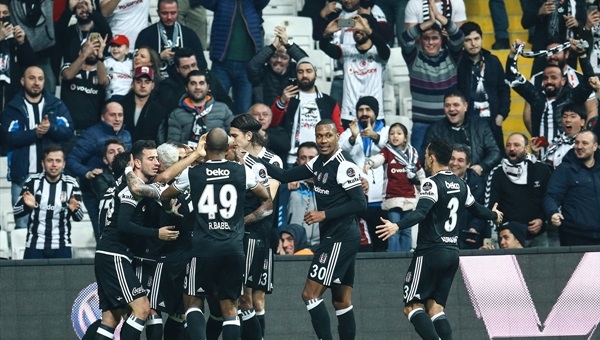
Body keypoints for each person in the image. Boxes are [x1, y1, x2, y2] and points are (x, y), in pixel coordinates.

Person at [376, 138, 502, 340]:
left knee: (411, 306)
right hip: (452, 253)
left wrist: (397, 225)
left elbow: (421, 213)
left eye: (426, 155)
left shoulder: (431, 184)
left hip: (430, 252)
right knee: (435, 309)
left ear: (432, 157)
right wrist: (494, 215)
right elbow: (478, 210)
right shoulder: (461, 184)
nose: (425, 159)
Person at [160, 127, 273, 340]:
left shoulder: (192, 173)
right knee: (230, 308)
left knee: (193, 301)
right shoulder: (242, 171)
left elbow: (165, 193)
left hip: (203, 247)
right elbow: (264, 195)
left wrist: (168, 208)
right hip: (233, 247)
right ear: (227, 147)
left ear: (206, 147)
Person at [261, 119, 367, 340]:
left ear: (337, 136)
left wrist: (324, 214)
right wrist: (253, 157)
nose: (323, 140)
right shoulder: (317, 162)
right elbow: (282, 176)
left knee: (310, 294)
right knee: (341, 300)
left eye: (328, 135)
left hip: (340, 237)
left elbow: (360, 203)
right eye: (319, 136)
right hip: (337, 236)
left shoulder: (344, 166)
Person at [92, 140, 179, 340]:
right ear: (137, 163)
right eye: (150, 158)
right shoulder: (131, 189)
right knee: (142, 308)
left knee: (111, 318)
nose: (156, 162)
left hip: (110, 254)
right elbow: (123, 224)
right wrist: (156, 233)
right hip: (115, 254)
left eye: (157, 158)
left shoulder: (135, 186)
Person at [229, 114, 282, 339]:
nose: (231, 140)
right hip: (236, 234)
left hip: (260, 233)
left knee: (255, 297)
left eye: (234, 135)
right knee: (242, 294)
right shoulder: (232, 158)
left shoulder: (271, 161)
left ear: (248, 135)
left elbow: (269, 197)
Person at [2, 66, 74, 230]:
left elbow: (68, 131)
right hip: (22, 178)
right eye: (32, 78)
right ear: (22, 81)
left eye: (40, 79)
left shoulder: (56, 105)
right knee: (22, 228)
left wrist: (51, 129)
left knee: (55, 227)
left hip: (52, 179)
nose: (36, 83)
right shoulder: (13, 107)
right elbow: (8, 137)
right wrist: (36, 133)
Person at [506, 38, 594, 160]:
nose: (549, 81)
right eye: (545, 78)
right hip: (542, 159)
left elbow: (589, 82)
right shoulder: (536, 97)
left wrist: (582, 55)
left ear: (563, 81)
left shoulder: (571, 97)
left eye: (554, 77)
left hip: (568, 160)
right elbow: (512, 77)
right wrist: (512, 54)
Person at [400, 0, 464, 152]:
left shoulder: (451, 56)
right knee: (419, 165)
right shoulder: (414, 57)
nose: (430, 42)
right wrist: (428, 22)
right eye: (426, 38)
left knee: (449, 164)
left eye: (435, 38)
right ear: (420, 40)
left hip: (447, 122)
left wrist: (440, 18)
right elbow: (404, 39)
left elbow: (459, 37)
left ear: (442, 39)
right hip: (421, 124)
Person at [66, 102, 132, 240]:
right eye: (112, 115)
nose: (117, 119)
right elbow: (71, 160)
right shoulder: (92, 135)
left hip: (122, 190)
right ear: (103, 117)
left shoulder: (126, 135)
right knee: (103, 233)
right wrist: (87, 172)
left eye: (120, 115)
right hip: (94, 193)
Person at [363, 122, 425, 252]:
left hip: (409, 197)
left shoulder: (412, 153)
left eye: (399, 133)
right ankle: (393, 259)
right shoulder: (387, 151)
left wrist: (424, 187)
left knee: (406, 230)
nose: (395, 136)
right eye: (392, 133)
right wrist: (370, 163)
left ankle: (405, 259)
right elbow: (378, 159)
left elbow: (419, 172)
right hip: (393, 197)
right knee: (392, 229)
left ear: (405, 137)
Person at [13, 145, 84, 259]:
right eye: (50, 160)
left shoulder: (71, 184)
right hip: (34, 244)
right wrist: (28, 206)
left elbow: (79, 217)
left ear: (64, 164)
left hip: (62, 245)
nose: (54, 165)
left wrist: (74, 209)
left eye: (58, 161)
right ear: (43, 163)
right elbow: (16, 212)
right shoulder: (32, 181)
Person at [199, 0, 270, 115]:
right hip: (221, 64)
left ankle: (239, 133)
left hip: (247, 66)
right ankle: (216, 134)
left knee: (243, 110)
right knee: (214, 107)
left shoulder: (252, 2)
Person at [270, 57, 342, 167]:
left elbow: (338, 129)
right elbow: (273, 123)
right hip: (292, 159)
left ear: (315, 74)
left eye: (309, 71)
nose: (304, 75)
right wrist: (282, 101)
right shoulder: (287, 97)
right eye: (300, 72)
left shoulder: (329, 102)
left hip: (321, 158)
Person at [320, 15, 390, 126]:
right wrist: (326, 34)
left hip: (375, 115)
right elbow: (325, 47)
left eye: (362, 25)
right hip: (349, 114)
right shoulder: (346, 50)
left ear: (370, 28)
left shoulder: (379, 50)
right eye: (354, 26)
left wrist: (368, 30)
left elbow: (385, 50)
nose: (358, 29)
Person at [484, 133, 552, 247]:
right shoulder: (497, 172)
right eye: (508, 145)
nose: (511, 148)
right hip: (509, 238)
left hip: (538, 236)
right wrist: (502, 228)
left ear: (526, 148)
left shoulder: (541, 169)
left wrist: (542, 219)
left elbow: (549, 198)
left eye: (516, 145)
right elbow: (490, 206)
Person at [339, 96, 389, 251]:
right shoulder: (349, 132)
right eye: (360, 110)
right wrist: (354, 137)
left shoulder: (388, 131)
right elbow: (341, 151)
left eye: (368, 109)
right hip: (359, 198)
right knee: (363, 246)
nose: (364, 113)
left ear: (376, 112)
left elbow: (394, 148)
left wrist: (375, 136)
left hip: (382, 198)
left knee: (382, 244)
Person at [457, 21, 510, 152]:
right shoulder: (458, 64)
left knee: (496, 159)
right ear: (462, 43)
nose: (473, 44)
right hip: (468, 122)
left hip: (492, 121)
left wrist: (501, 115)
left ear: (481, 39)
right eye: (468, 40)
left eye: (476, 39)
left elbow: (503, 90)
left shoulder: (493, 61)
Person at [422, 91, 502, 176]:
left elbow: (495, 152)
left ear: (465, 106)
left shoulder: (481, 126)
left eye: (456, 105)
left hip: (475, 179)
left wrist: (481, 166)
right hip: (446, 179)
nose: (451, 109)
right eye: (447, 105)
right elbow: (425, 157)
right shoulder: (434, 129)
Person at [544, 130, 600, 246]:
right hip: (575, 236)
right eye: (577, 143)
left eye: (584, 143)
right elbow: (551, 196)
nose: (579, 147)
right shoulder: (564, 169)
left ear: (595, 146)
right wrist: (553, 212)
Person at [135, 0, 207, 80]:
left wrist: (184, 60)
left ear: (178, 12)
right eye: (164, 13)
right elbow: (136, 64)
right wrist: (158, 57)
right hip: (155, 84)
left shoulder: (189, 34)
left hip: (183, 85)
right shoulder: (146, 34)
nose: (169, 17)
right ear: (158, 12)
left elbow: (202, 64)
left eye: (173, 13)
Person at [157, 47, 234, 114]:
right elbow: (169, 109)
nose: (191, 70)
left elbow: (226, 101)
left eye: (193, 65)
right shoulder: (168, 85)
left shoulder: (208, 76)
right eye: (186, 67)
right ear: (177, 69)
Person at [166, 69, 234, 145]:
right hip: (190, 155)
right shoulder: (176, 114)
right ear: (186, 87)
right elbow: (172, 144)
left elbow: (234, 136)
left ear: (208, 87)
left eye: (201, 83)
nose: (197, 87)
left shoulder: (223, 109)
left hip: (219, 154)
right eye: (193, 83)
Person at [246, 25, 308, 107]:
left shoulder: (295, 71)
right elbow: (252, 66)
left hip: (291, 114)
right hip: (267, 116)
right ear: (268, 59)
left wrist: (288, 44)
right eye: (274, 56)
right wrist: (273, 46)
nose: (278, 60)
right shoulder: (263, 71)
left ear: (289, 61)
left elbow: (308, 64)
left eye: (284, 57)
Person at [520, 0, 585, 76]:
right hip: (543, 53)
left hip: (568, 53)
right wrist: (539, 12)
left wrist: (577, 24)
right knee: (538, 85)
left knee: (568, 85)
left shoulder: (578, 1)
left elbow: (585, 25)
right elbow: (525, 22)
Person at [60, 34, 109, 134]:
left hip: (92, 132)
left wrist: (100, 56)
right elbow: (68, 75)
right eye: (88, 47)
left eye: (95, 48)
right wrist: (85, 54)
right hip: (68, 130)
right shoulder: (68, 66)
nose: (92, 51)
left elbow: (103, 82)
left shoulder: (103, 72)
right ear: (80, 52)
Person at [278, 141, 320, 246]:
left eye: (311, 158)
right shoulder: (288, 185)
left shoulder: (328, 185)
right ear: (297, 161)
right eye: (303, 158)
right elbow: (280, 216)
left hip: (320, 245)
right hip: (293, 246)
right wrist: (281, 239)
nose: (307, 162)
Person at [449, 144, 488, 249]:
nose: (455, 163)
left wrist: (474, 227)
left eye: (460, 160)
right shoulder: (438, 181)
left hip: (469, 239)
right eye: (452, 159)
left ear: (468, 164)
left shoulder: (479, 184)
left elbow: (482, 209)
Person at [0, 0, 36, 110]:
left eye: (5, 13)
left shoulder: (13, 38)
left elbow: (31, 63)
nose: (2, 17)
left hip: (12, 95)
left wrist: (22, 43)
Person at [119, 66, 167, 144]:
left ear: (152, 85)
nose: (143, 85)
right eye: (139, 81)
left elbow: (160, 138)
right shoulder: (120, 105)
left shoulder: (159, 110)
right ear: (132, 84)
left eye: (147, 82)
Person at [543, 104, 587, 168]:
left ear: (582, 122)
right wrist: (536, 154)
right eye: (565, 116)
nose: (568, 120)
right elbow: (546, 167)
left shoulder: (588, 142)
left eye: (573, 116)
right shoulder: (556, 143)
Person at [104, 34, 133, 101]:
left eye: (118, 46)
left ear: (127, 50)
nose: (115, 49)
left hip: (129, 96)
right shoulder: (107, 62)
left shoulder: (132, 63)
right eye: (112, 46)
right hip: (113, 96)